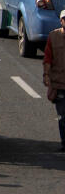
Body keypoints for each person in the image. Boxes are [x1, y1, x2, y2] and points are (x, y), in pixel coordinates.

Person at [43, 9, 65, 151]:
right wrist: (46, 75)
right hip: (59, 84)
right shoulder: (53, 36)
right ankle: (64, 143)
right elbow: (47, 59)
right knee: (63, 116)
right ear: (61, 20)